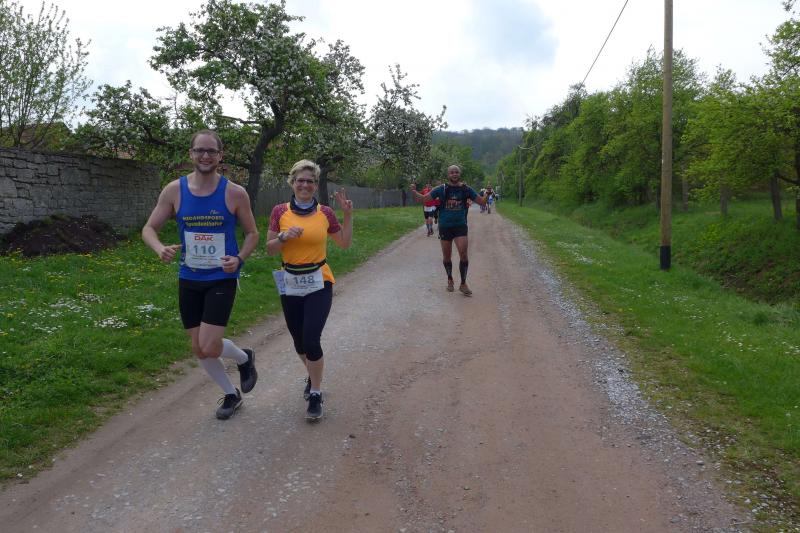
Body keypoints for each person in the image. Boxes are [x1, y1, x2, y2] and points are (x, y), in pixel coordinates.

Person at [142, 129, 259, 420]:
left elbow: (252, 233)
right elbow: (149, 228)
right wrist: (159, 248)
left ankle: (244, 357)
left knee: (209, 345)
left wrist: (239, 259)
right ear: (191, 154)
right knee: (198, 349)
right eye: (200, 150)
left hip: (221, 277)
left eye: (211, 151)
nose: (205, 156)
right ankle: (231, 394)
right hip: (189, 278)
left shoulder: (234, 192)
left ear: (220, 156)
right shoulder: (174, 190)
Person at [266, 160, 353, 421]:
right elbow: (270, 249)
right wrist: (283, 237)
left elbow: (344, 243)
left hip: (319, 280)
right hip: (290, 280)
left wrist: (348, 215)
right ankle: (313, 374)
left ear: (316, 185)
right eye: (300, 180)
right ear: (292, 183)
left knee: (311, 338)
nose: (305, 185)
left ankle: (315, 392)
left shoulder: (325, 212)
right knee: (299, 342)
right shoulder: (279, 211)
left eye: (310, 181)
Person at [410, 165, 486, 296]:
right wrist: (413, 191)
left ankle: (463, 283)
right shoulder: (441, 189)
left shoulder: (466, 189)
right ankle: (450, 279)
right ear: (448, 175)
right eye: (452, 172)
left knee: (463, 254)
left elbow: (482, 202)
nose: (454, 174)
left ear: (459, 174)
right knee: (446, 256)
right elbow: (423, 199)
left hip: (460, 226)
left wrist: (487, 193)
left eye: (456, 172)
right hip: (445, 226)